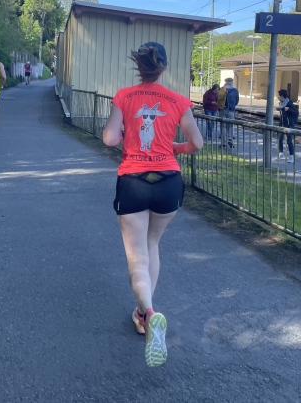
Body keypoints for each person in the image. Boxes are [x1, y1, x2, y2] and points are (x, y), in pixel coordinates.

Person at [102, 41, 203, 367]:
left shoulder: (124, 96)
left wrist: (126, 134)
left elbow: (109, 139)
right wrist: (175, 148)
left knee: (137, 256)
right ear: (164, 68)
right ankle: (144, 314)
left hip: (133, 181)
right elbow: (197, 143)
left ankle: (148, 312)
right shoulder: (178, 100)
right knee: (152, 244)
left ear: (139, 67)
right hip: (168, 182)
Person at [277, 89, 296, 163]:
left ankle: (291, 156)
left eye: (279, 96)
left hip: (289, 124)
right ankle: (281, 154)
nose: (278, 97)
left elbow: (296, 112)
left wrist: (289, 109)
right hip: (282, 124)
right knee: (280, 139)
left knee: (289, 141)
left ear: (282, 96)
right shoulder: (280, 104)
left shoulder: (289, 103)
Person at [220, 77, 239, 148]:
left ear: (225, 82)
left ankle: (223, 142)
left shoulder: (222, 89)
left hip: (222, 109)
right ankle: (230, 139)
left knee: (223, 126)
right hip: (231, 110)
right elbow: (237, 100)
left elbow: (217, 99)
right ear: (232, 82)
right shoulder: (235, 90)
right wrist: (232, 105)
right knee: (230, 125)